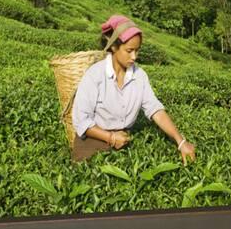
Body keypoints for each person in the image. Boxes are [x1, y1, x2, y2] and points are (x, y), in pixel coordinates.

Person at [71, 14, 196, 164]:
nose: (134, 57)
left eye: (137, 50)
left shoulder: (140, 76)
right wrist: (110, 137)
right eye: (129, 50)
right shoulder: (95, 75)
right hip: (94, 137)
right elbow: (81, 120)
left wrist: (181, 142)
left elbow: (155, 110)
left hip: (123, 138)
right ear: (114, 47)